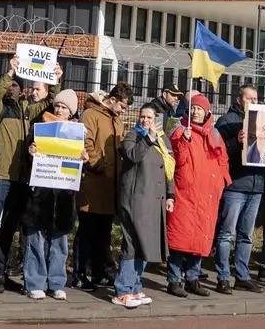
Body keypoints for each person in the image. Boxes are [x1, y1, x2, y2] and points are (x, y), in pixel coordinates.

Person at [0, 58, 56, 293]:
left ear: (23, 91)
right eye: (10, 85)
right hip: (0, 176)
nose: (13, 88)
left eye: (16, 86)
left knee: (9, 228)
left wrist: (56, 79)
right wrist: (9, 72)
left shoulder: (26, 112)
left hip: (20, 178)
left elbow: (50, 101)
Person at [167, 93, 231, 297]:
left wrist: (221, 182)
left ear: (207, 112)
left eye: (199, 109)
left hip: (207, 197)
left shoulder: (215, 135)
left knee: (200, 240)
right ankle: (174, 279)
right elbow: (177, 160)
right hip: (185, 194)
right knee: (180, 239)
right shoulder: (179, 131)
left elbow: (223, 161)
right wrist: (183, 142)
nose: (195, 112)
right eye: (193, 108)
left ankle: (193, 279)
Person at [22, 88, 82, 302]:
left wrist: (81, 159)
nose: (59, 109)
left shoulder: (77, 133)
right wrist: (31, 153)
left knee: (60, 242)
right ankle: (35, 283)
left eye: (64, 107)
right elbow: (28, 159)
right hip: (41, 192)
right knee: (36, 239)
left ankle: (56, 283)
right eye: (58, 105)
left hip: (64, 194)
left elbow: (78, 168)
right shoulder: (40, 128)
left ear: (71, 112)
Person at [115, 103, 174, 309]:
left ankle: (135, 286)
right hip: (135, 199)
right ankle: (123, 289)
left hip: (154, 200)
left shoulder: (163, 140)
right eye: (142, 117)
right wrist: (148, 138)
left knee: (145, 243)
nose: (145, 121)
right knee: (132, 242)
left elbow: (169, 168)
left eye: (149, 117)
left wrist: (170, 195)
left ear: (156, 120)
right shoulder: (133, 136)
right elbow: (132, 156)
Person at [76, 81, 132, 290]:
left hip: (110, 186)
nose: (123, 111)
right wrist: (99, 163)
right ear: (113, 99)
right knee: (87, 231)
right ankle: (80, 273)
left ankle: (99, 272)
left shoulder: (117, 120)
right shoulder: (90, 115)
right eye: (123, 107)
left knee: (104, 232)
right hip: (93, 183)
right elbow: (86, 143)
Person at [212, 83, 265, 293]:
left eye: (256, 99)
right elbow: (217, 152)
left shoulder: (264, 120)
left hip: (256, 184)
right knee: (226, 233)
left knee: (247, 235)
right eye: (249, 98)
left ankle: (242, 276)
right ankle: (223, 276)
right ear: (239, 100)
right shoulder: (227, 121)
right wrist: (236, 141)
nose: (253, 102)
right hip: (235, 185)